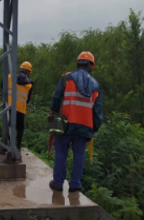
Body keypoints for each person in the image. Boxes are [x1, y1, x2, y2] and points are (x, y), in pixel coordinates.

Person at [49, 52, 103, 192]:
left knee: (61, 152)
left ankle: (58, 183)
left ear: (77, 63)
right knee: (79, 155)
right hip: (84, 127)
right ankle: (75, 185)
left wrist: (53, 114)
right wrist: (94, 128)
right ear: (90, 66)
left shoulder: (66, 78)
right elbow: (97, 112)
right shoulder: (95, 85)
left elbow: (56, 99)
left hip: (65, 124)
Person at [8, 61, 33, 150]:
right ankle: (18, 147)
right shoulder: (30, 84)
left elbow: (3, 88)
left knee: (10, 126)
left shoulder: (10, 77)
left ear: (21, 69)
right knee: (20, 129)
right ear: (28, 72)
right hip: (21, 109)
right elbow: (28, 100)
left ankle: (7, 145)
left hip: (10, 107)